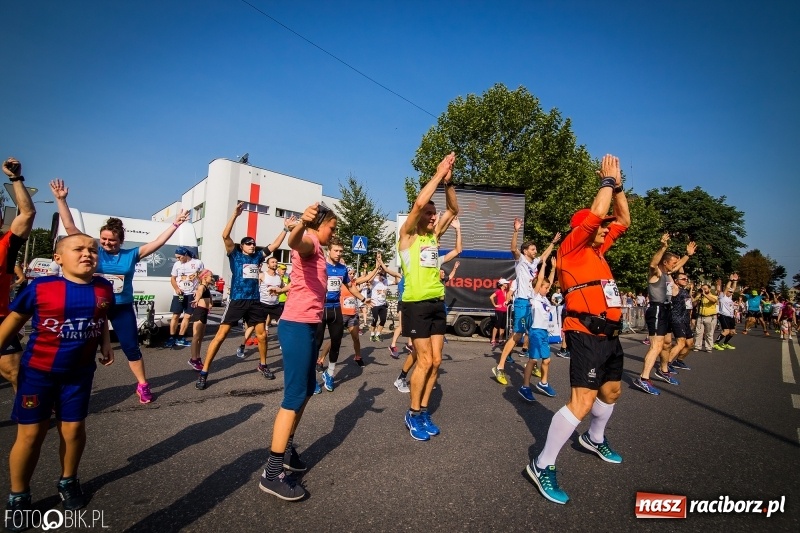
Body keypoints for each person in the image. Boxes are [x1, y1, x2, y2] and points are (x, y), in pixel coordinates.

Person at [526, 153, 630, 506]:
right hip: (585, 333)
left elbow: (623, 220)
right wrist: (607, 182)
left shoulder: (600, 249)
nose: (605, 229)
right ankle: (542, 464)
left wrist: (619, 188)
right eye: (600, 226)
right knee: (582, 401)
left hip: (610, 335)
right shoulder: (572, 247)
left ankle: (594, 439)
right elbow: (597, 215)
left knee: (611, 392)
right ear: (585, 227)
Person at [0, 234, 114, 526]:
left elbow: (101, 316)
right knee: (31, 435)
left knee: (74, 430)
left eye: (92, 250)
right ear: (58, 258)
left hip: (79, 375)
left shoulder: (104, 287)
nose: (87, 254)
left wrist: (105, 342)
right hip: (37, 374)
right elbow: (12, 323)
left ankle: (68, 480)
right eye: (79, 249)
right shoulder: (41, 288)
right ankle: (19, 495)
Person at [51, 178, 189, 404]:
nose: (107, 243)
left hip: (121, 307)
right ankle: (63, 388)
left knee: (131, 347)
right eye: (104, 239)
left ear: (120, 241)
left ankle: (143, 385)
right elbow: (70, 228)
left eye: (112, 240)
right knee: (77, 346)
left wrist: (176, 224)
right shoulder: (95, 251)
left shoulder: (131, 255)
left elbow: (157, 242)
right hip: (93, 306)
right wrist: (61, 200)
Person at [258, 202, 336, 501]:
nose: (333, 233)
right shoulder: (311, 242)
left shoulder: (319, 248)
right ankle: (272, 473)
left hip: (310, 325)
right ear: (319, 225)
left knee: (305, 390)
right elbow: (295, 241)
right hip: (297, 325)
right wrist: (301, 224)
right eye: (331, 227)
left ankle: (287, 449)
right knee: (293, 397)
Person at [195, 205, 296, 389]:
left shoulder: (257, 257)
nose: (251, 245)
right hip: (237, 300)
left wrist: (285, 229)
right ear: (241, 246)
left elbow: (274, 246)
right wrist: (235, 215)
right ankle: (204, 372)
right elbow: (225, 236)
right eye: (248, 243)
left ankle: (263, 365)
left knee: (262, 335)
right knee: (221, 336)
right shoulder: (234, 255)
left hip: (255, 301)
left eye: (253, 243)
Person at [397, 152, 458, 441]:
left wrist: (449, 182)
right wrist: (438, 173)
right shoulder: (407, 235)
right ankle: (411, 413)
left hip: (436, 303)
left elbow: (454, 209)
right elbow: (420, 203)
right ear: (418, 216)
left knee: (436, 361)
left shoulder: (434, 236)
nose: (434, 216)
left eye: (435, 214)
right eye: (429, 213)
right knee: (422, 360)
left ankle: (422, 411)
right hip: (416, 304)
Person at [492, 216, 560, 385]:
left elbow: (544, 256)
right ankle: (500, 367)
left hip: (531, 303)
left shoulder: (534, 263)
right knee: (517, 335)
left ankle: (533, 364)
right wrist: (515, 231)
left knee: (532, 333)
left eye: (535, 249)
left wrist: (552, 243)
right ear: (525, 251)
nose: (535, 251)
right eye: (532, 249)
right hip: (522, 302)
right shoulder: (521, 260)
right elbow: (513, 248)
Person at [633, 234, 695, 396]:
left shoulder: (668, 274)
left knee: (667, 343)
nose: (675, 265)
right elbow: (653, 263)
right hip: (657, 310)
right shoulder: (657, 273)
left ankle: (663, 370)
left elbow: (678, 265)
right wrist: (663, 247)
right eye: (673, 263)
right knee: (657, 345)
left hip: (667, 310)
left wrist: (687, 255)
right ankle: (643, 378)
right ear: (665, 262)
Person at [313, 238, 369, 393]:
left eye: (341, 251)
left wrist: (363, 299)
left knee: (336, 342)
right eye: (336, 250)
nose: (338, 254)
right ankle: (311, 378)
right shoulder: (321, 266)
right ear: (329, 251)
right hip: (321, 308)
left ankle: (329, 374)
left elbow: (350, 286)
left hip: (336, 309)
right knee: (316, 344)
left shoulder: (343, 269)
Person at [0, 158, 36, 393]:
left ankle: (31, 411)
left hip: (1, 320)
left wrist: (15, 178)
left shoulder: (6, 245)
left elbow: (28, 213)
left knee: (15, 372)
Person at [518, 255, 557, 402]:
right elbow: (540, 279)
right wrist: (544, 265)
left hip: (544, 333)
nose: (547, 289)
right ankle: (525, 387)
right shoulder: (534, 297)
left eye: (547, 288)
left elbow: (548, 282)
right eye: (545, 287)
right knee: (533, 360)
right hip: (535, 332)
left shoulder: (545, 298)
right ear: (538, 287)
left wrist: (553, 269)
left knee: (546, 360)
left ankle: (543, 383)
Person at [165, 247, 204, 347]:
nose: (178, 259)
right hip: (179, 294)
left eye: (179, 257)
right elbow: (173, 279)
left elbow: (202, 278)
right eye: (176, 258)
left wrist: (199, 290)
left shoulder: (198, 263)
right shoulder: (177, 264)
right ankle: (171, 337)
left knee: (188, 316)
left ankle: (181, 338)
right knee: (175, 315)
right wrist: (176, 288)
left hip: (192, 294)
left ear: (185, 254)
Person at [187, 269, 214, 371]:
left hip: (204, 312)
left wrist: (210, 303)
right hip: (199, 312)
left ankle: (198, 358)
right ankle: (193, 359)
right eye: (211, 276)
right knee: (196, 337)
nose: (212, 278)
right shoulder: (201, 286)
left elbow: (209, 299)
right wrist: (197, 299)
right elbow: (199, 292)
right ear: (205, 277)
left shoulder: (207, 287)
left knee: (201, 337)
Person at [713, 274, 739, 350]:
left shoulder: (729, 297)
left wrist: (735, 281)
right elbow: (727, 288)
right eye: (729, 292)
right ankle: (716, 343)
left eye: (732, 292)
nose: (731, 293)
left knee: (732, 332)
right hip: (723, 315)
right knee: (726, 331)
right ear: (726, 292)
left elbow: (733, 288)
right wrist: (730, 280)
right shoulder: (722, 296)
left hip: (731, 316)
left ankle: (725, 343)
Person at [693, 281, 718, 352]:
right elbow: (693, 304)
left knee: (709, 333)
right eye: (702, 289)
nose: (703, 290)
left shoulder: (713, 296)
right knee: (698, 333)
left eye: (705, 289)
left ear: (709, 289)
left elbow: (713, 301)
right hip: (700, 316)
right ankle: (697, 346)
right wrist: (697, 297)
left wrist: (704, 294)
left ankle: (709, 347)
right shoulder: (700, 296)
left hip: (710, 317)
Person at [489, 279, 510, 349]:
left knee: (503, 325)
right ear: (502, 284)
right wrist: (495, 305)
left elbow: (509, 298)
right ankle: (493, 340)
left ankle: (500, 340)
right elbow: (491, 297)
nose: (507, 285)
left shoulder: (506, 291)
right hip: (499, 310)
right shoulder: (498, 291)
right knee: (497, 324)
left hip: (505, 310)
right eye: (505, 283)